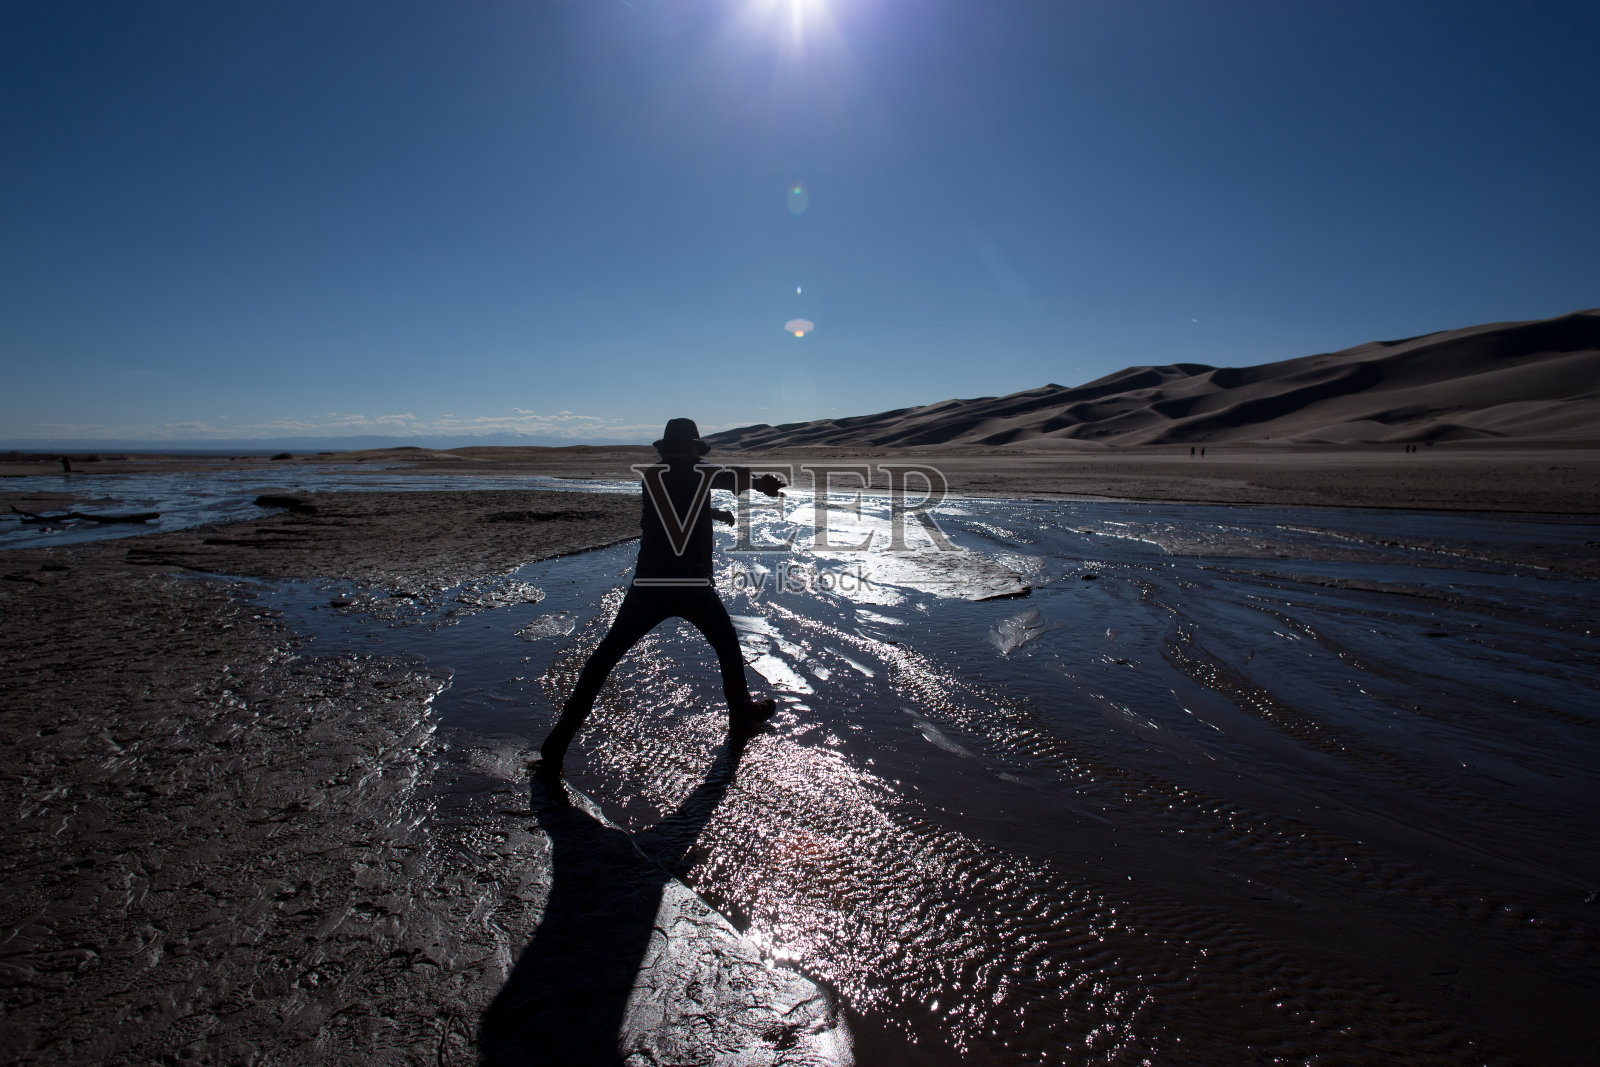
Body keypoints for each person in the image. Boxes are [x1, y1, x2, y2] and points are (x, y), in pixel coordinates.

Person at [535, 418, 786, 777]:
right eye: (681, 450)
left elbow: (680, 499)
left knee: (606, 657)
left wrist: (712, 512)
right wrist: (761, 483)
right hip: (690, 587)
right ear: (676, 452)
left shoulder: (655, 477)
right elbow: (720, 477)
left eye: (686, 451)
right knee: (726, 646)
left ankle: (559, 738)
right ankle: (742, 713)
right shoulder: (695, 472)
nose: (683, 456)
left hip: (649, 586)